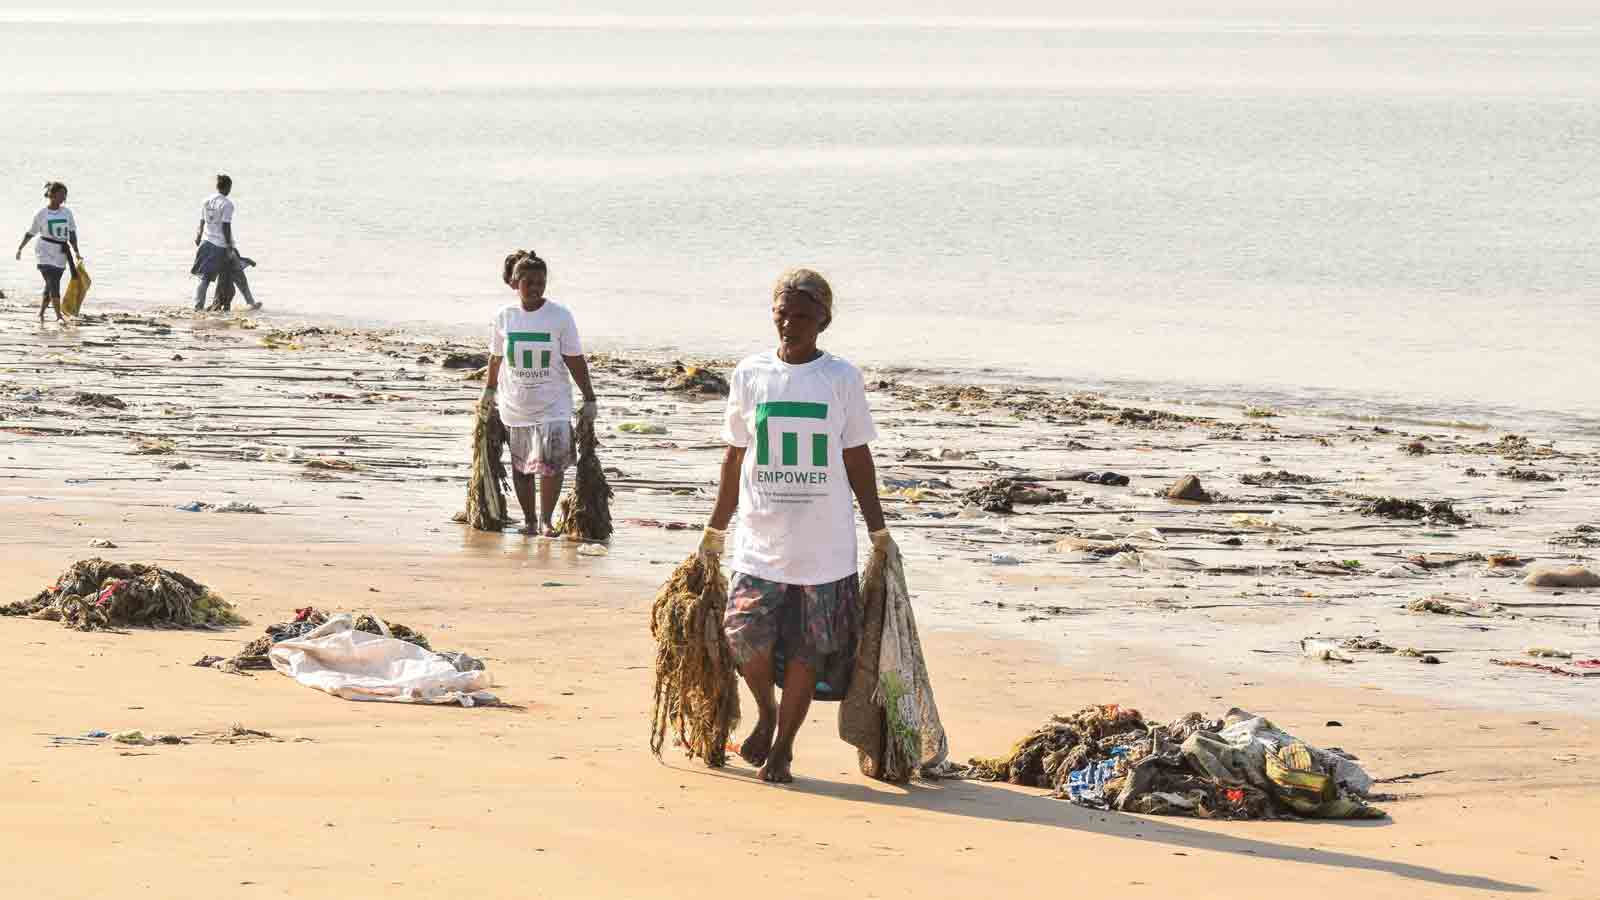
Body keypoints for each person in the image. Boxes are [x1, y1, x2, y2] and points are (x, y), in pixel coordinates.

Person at [697, 268, 895, 784]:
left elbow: (857, 458)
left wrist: (878, 531)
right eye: (783, 314)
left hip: (824, 546)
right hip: (760, 540)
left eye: (803, 315)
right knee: (745, 637)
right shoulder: (751, 373)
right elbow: (734, 458)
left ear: (824, 320)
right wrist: (716, 529)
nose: (791, 324)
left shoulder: (841, 378)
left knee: (810, 649)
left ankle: (783, 745)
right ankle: (765, 711)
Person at [483, 251, 598, 535]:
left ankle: (546, 520)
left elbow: (574, 358)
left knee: (552, 464)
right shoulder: (505, 317)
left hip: (554, 403)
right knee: (522, 468)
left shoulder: (560, 316)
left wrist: (590, 397)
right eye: (528, 282)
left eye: (540, 282)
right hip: (516, 405)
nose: (535, 288)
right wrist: (488, 390)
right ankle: (529, 521)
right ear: (514, 283)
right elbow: (496, 357)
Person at [192, 173, 259, 311]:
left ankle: (197, 307)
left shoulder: (206, 200)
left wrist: (198, 236)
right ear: (228, 187)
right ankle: (250, 303)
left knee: (204, 278)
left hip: (206, 243)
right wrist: (229, 247)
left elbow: (201, 222)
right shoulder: (227, 204)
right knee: (238, 273)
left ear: (217, 186)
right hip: (221, 246)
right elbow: (226, 226)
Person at [15, 182, 81, 322]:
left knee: (50, 284)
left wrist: (76, 252)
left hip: (61, 253)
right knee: (53, 280)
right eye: (61, 194)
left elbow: (72, 233)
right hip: (44, 251)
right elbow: (31, 232)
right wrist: (20, 248)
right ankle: (58, 316)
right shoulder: (42, 214)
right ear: (52, 195)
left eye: (65, 194)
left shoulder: (67, 213)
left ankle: (41, 313)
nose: (64, 197)